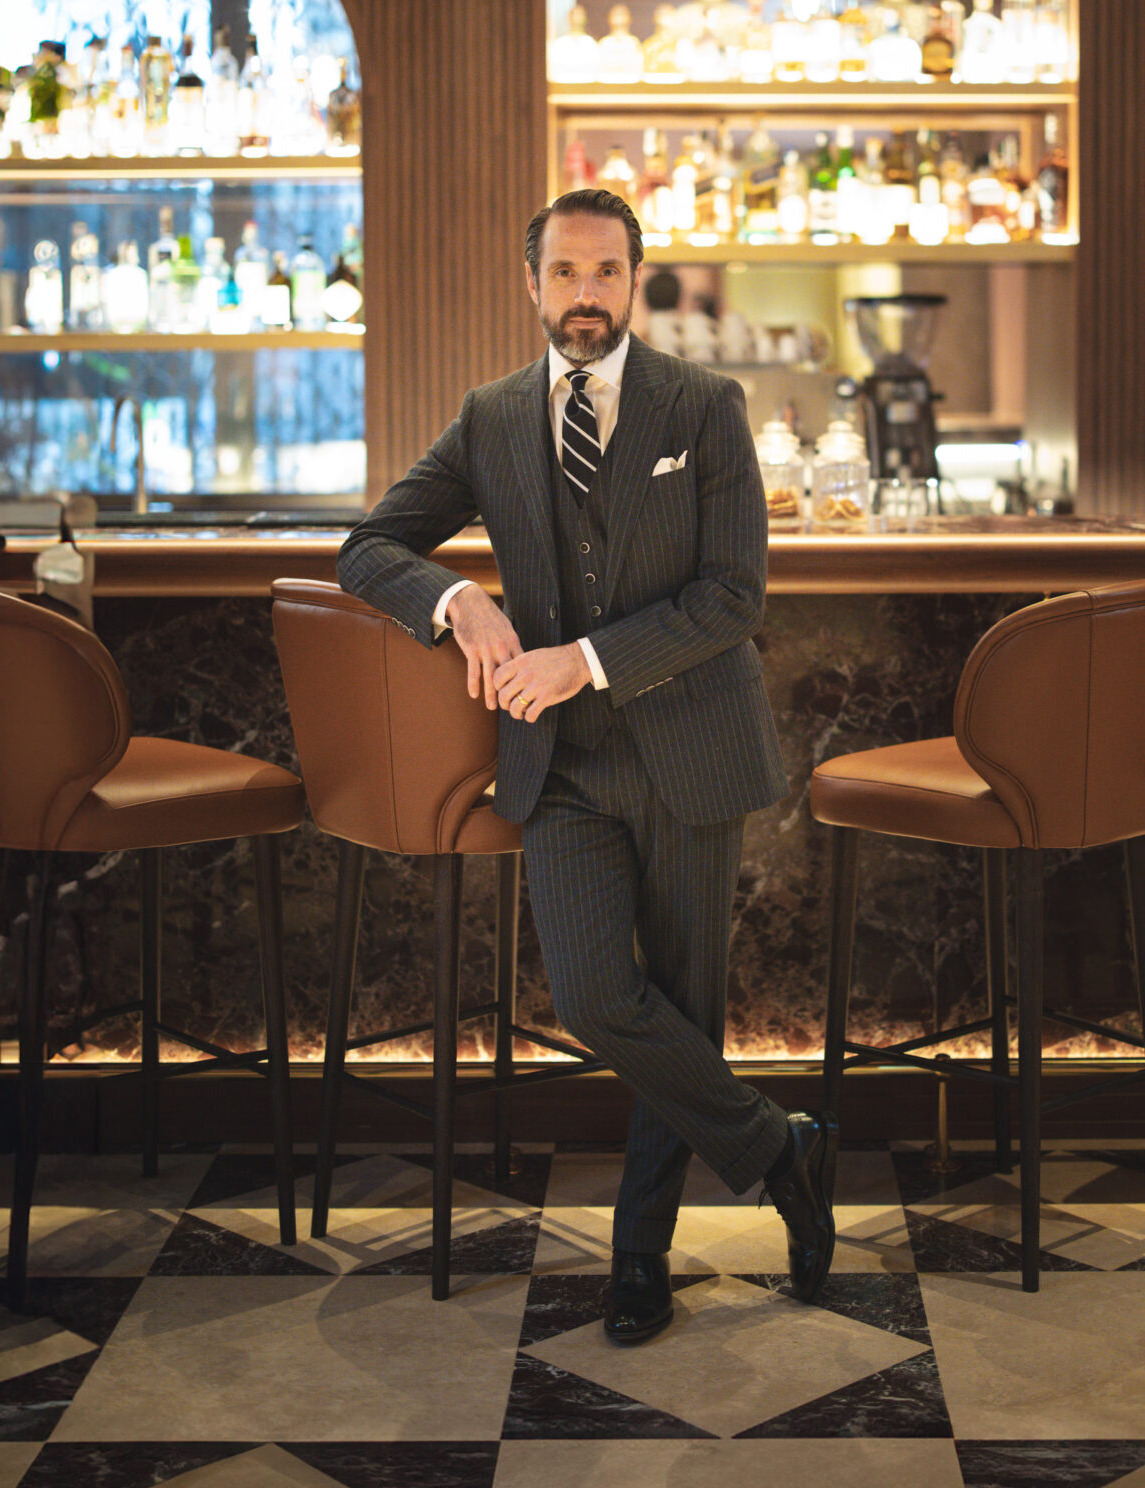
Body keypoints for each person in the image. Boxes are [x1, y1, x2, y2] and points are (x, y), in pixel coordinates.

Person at [337, 189, 836, 1343]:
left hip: (688, 751)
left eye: (605, 272)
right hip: (557, 765)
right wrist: (457, 602)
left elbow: (732, 596)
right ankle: (781, 1150)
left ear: (634, 281)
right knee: (595, 998)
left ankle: (637, 1257)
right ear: (531, 284)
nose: (583, 296)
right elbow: (369, 548)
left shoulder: (703, 405)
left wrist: (584, 661)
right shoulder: (490, 417)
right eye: (563, 273)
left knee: (684, 1011)